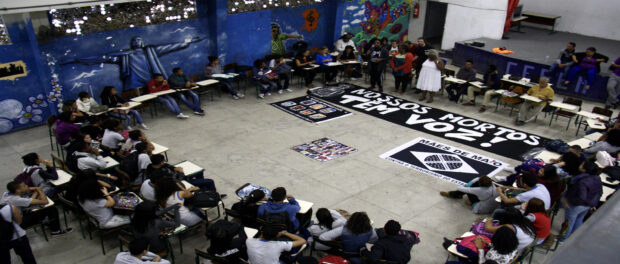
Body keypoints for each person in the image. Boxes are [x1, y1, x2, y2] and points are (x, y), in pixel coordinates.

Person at [0, 181, 72, 235]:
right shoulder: (16, 199)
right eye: (24, 186)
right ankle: (56, 230)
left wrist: (35, 193)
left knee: (36, 207)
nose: (27, 186)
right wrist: (39, 190)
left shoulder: (6, 194)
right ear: (17, 191)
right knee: (51, 208)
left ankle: (49, 223)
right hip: (19, 222)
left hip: (10, 220)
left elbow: (27, 202)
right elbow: (45, 201)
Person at [560, 161, 602, 241]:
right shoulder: (597, 178)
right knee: (579, 219)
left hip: (577, 205)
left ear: (585, 169)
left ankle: (563, 238)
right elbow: (600, 192)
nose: (580, 164)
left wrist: (569, 202)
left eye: (582, 164)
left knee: (568, 223)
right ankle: (573, 236)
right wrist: (593, 203)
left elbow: (581, 197)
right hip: (588, 204)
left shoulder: (582, 181)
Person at [445, 226, 518, 264]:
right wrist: (487, 243)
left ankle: (451, 246)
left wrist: (480, 248)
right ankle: (452, 247)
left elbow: (481, 262)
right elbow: (501, 247)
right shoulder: (513, 249)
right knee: (466, 253)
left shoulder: (492, 255)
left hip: (485, 261)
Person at [146, 154, 217, 191]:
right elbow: (177, 181)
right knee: (210, 181)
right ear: (160, 162)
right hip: (181, 183)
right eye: (163, 161)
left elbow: (167, 165)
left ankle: (202, 188)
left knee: (199, 172)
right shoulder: (160, 174)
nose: (164, 162)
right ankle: (212, 194)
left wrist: (174, 168)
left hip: (178, 177)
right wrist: (181, 172)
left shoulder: (152, 165)